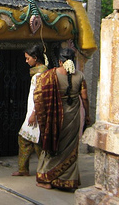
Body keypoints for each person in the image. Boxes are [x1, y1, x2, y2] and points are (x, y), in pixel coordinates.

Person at [33, 47, 90, 191]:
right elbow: (84, 98)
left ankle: (47, 178)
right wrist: (88, 116)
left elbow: (39, 95)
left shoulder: (50, 75)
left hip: (55, 117)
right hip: (73, 117)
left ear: (60, 61)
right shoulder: (80, 76)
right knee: (70, 148)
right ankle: (67, 180)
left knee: (54, 145)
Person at [12, 44, 48, 177]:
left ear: (35, 58)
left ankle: (44, 171)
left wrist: (34, 114)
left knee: (37, 144)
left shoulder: (40, 75)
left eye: (28, 58)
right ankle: (25, 169)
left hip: (36, 114)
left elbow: (40, 97)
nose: (26, 61)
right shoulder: (40, 73)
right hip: (34, 113)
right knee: (27, 140)